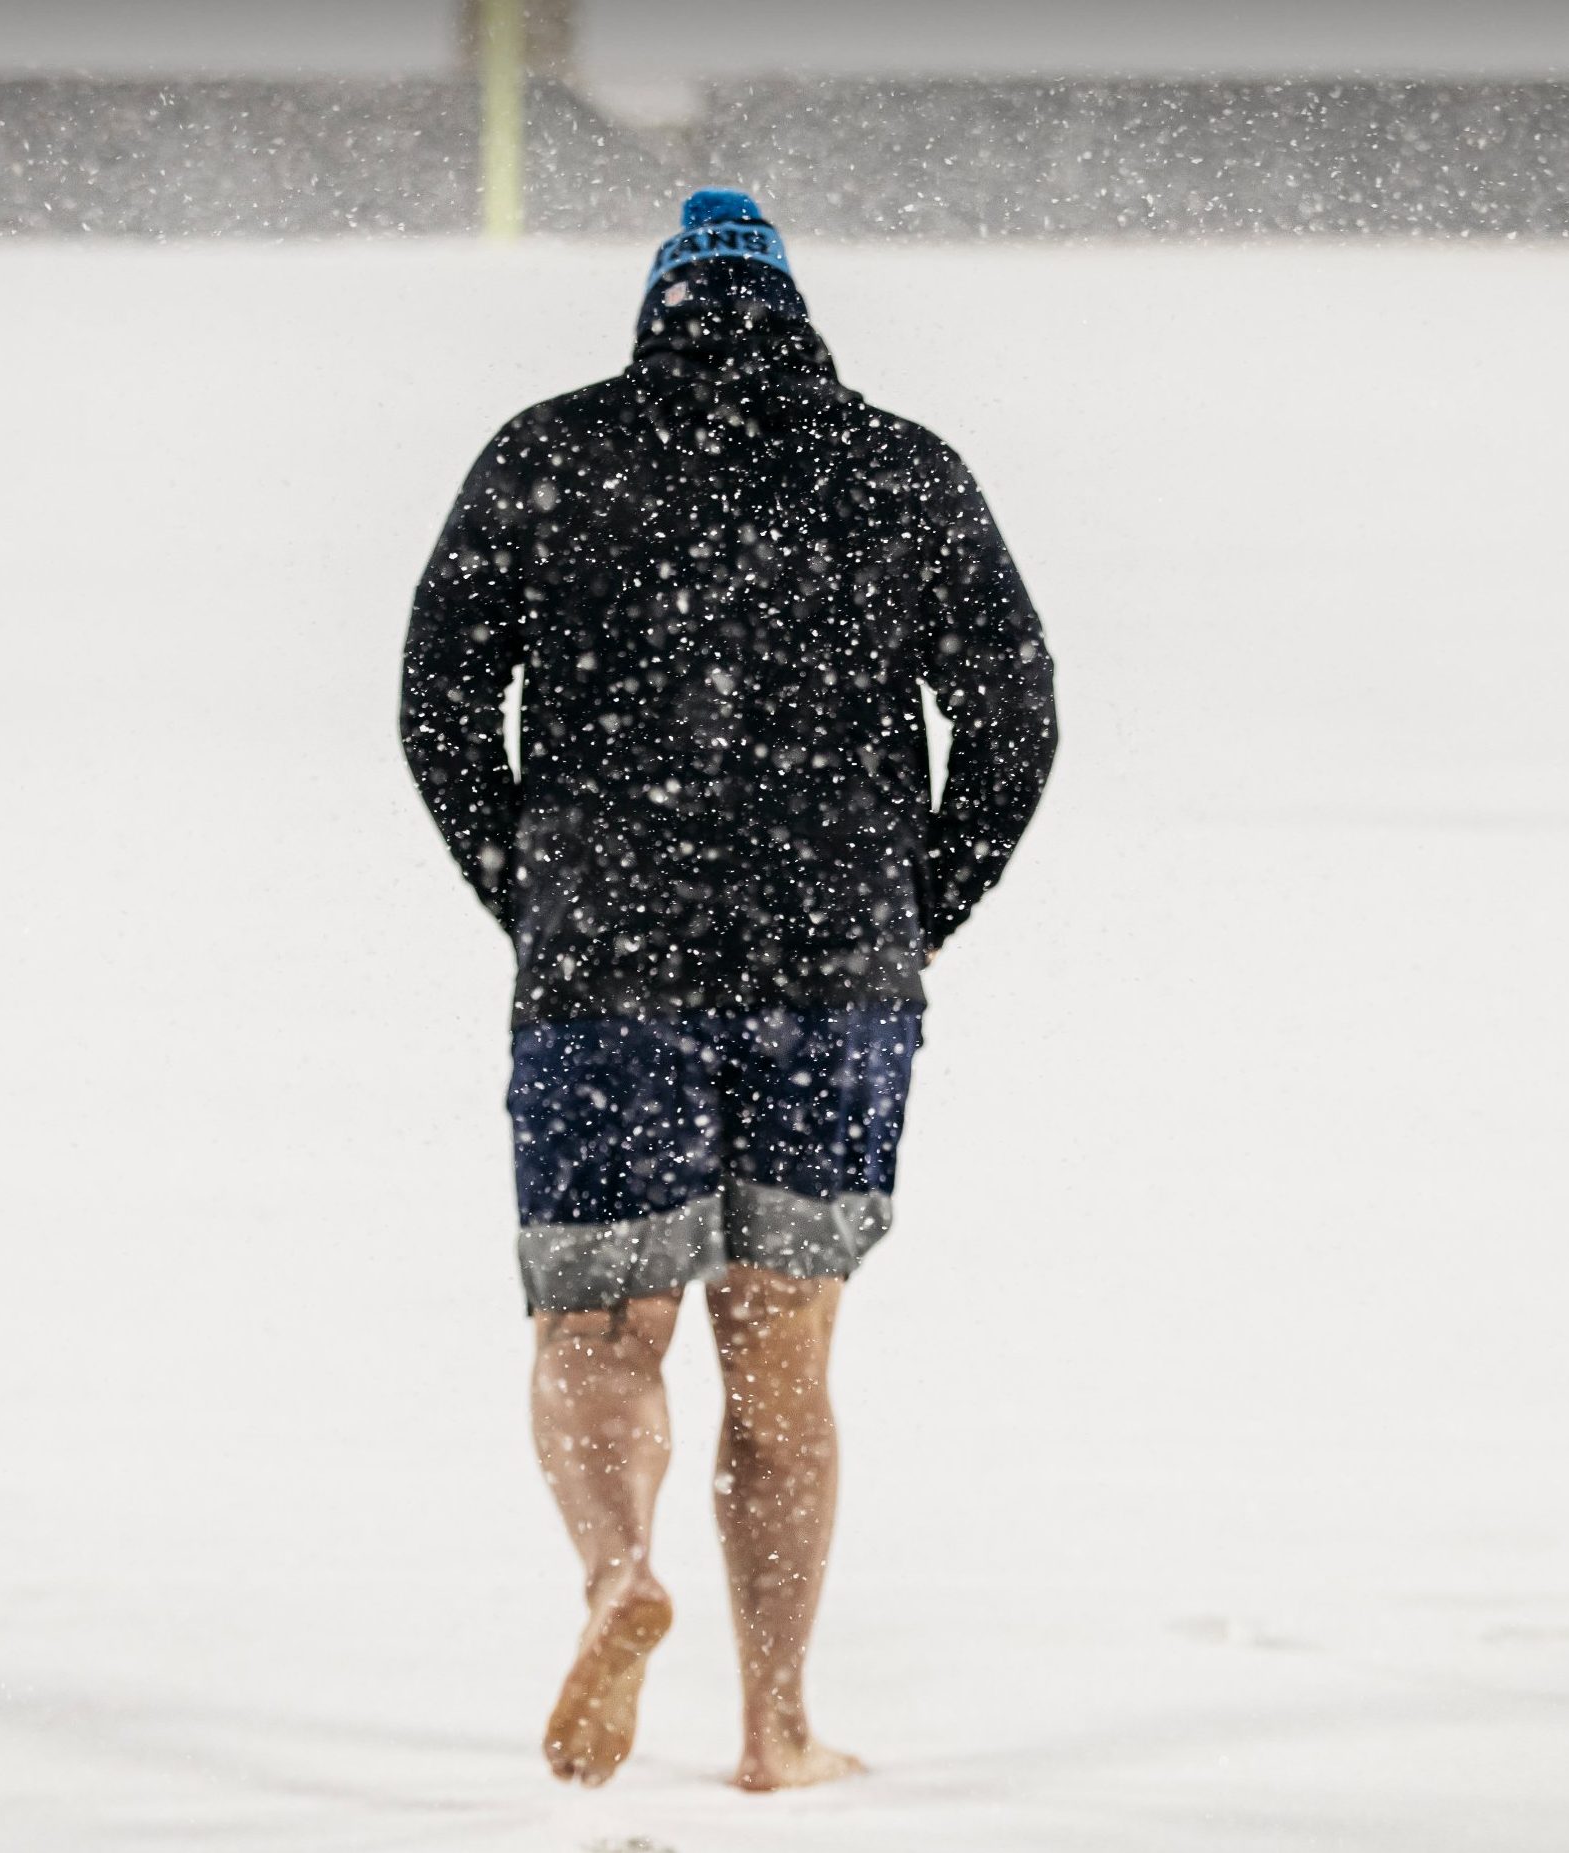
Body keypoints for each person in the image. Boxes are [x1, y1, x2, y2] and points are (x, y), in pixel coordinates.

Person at [400, 189, 1057, 1792]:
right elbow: (1017, 722)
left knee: (603, 1323)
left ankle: (620, 1571)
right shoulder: (897, 467)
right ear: (794, 320)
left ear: (659, 317)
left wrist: (536, 893)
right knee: (780, 1354)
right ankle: (775, 1728)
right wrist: (913, 910)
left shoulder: (549, 454)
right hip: (830, 970)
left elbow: (435, 707)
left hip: (606, 966)